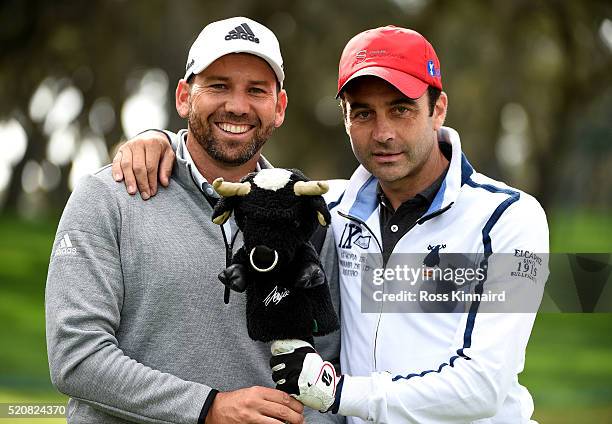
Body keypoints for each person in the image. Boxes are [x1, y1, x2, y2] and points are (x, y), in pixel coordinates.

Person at [116, 26, 549, 423]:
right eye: (362, 113)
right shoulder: (329, 208)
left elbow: (485, 386)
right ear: (344, 117)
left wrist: (338, 393)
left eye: (401, 110)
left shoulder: (512, 219)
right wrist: (158, 140)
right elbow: (240, 174)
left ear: (438, 109)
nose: (382, 133)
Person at [46, 17, 343, 424]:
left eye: (256, 90)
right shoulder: (107, 198)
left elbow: (326, 364)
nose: (237, 105)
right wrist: (210, 408)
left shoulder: (309, 217)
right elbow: (77, 357)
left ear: (280, 108)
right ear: (184, 97)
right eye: (218, 86)